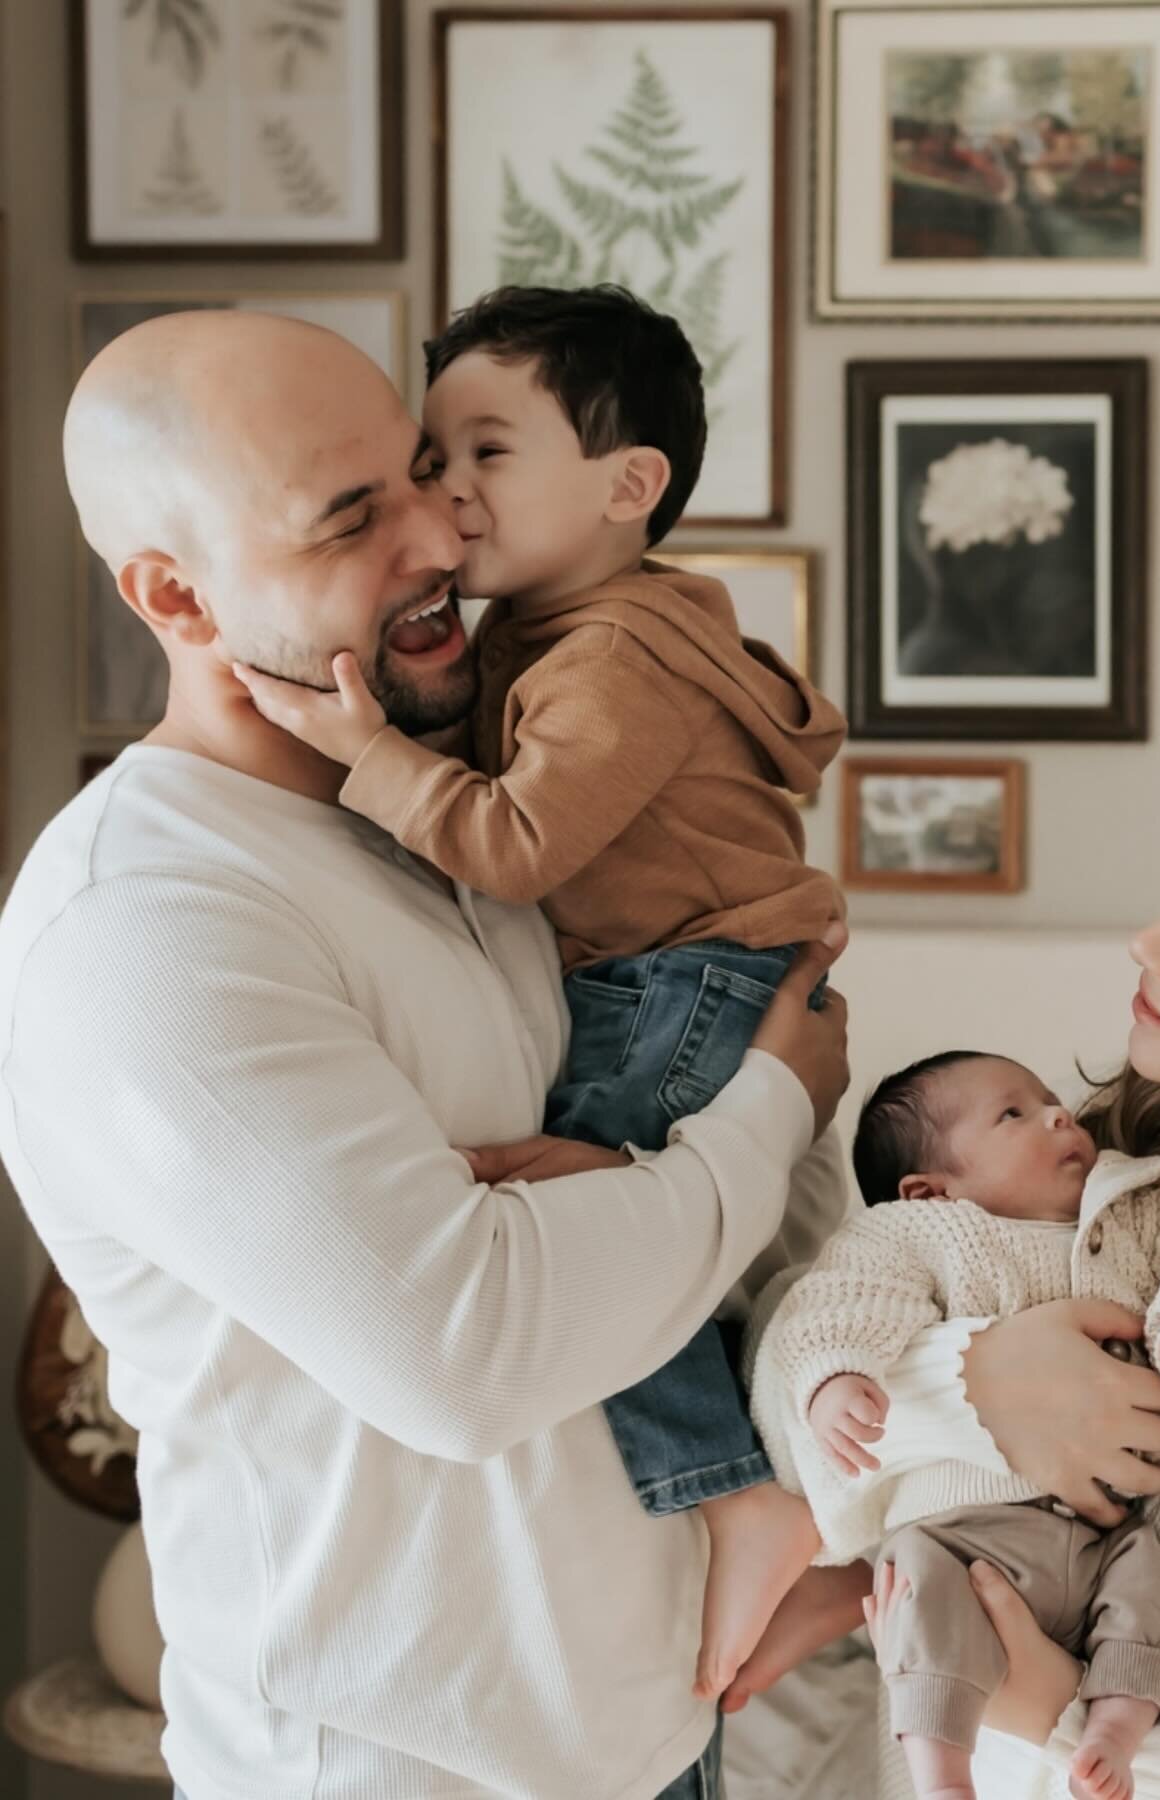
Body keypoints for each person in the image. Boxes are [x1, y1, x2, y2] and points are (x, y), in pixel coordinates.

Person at [0, 309, 851, 1800]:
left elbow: (631, 1236)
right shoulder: (141, 920)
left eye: (420, 473)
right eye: (351, 517)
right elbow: (471, 1348)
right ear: (174, 595)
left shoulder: (455, 821)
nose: (439, 536)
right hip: (401, 1770)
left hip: (657, 1727)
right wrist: (776, 1099)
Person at [232, 283, 848, 1699]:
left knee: (584, 1241)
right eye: (430, 459)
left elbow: (514, 847)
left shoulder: (619, 654)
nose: (445, 498)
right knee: (634, 1232)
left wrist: (363, 749)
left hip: (696, 981)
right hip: (681, 977)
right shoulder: (566, 628)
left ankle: (745, 1500)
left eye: (484, 454)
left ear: (631, 485)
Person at [731, 766, 1160, 1800]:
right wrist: (968, 1388)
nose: (1145, 945)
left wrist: (1065, 1718)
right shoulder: (1103, 1197)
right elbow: (789, 1366)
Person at [753, 1051, 1160, 1800]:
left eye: (1051, 1098)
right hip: (960, 1532)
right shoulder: (918, 1236)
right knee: (917, 1593)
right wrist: (836, 1376)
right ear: (930, 1191)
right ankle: (942, 1774)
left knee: (1156, 1583)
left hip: (1107, 1534)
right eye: (1013, 1114)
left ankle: (1115, 1731)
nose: (1059, 1114)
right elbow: (839, 1303)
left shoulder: (1143, 1202)